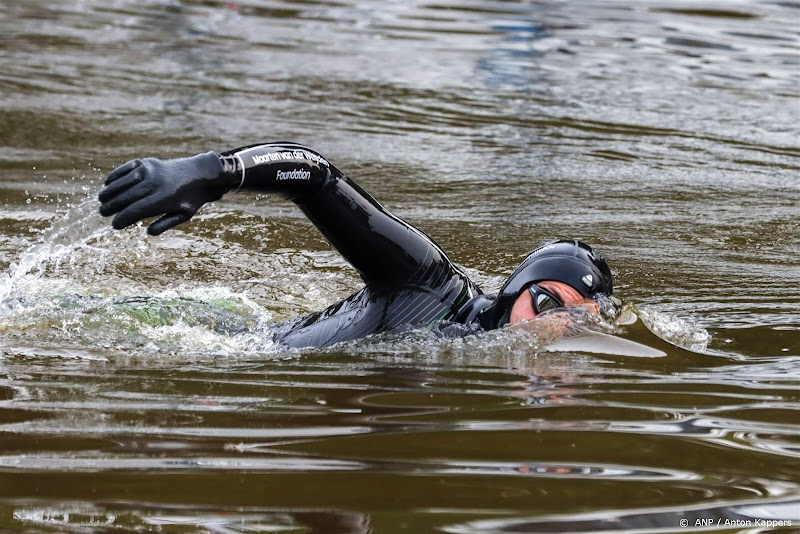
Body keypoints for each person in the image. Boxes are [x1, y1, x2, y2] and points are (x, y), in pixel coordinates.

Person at [98, 142, 614, 349]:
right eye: (547, 302)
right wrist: (213, 173)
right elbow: (316, 176)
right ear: (516, 289)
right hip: (209, 344)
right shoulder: (429, 283)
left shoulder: (471, 353)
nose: (556, 325)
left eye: (578, 319)